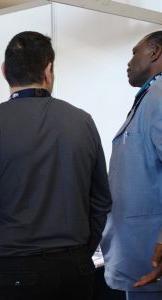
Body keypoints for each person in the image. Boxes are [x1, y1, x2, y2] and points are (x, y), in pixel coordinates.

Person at [0, 31, 112, 300]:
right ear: (48, 70)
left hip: (12, 270)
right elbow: (100, 201)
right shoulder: (82, 121)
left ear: (4, 72)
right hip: (74, 269)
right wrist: (81, 250)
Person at [101, 31, 162, 300]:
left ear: (155, 52)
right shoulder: (149, 97)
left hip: (152, 257)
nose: (129, 62)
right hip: (140, 253)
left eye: (135, 52)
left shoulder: (159, 98)